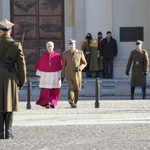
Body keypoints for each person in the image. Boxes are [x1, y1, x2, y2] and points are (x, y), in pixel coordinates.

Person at [0, 19, 26, 139]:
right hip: (10, 77)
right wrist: (22, 80)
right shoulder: (16, 45)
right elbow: (21, 65)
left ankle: (0, 132)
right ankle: (8, 132)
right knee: (9, 103)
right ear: (10, 31)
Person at [34, 41, 62, 109]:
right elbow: (40, 66)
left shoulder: (57, 56)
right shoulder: (43, 56)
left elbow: (60, 66)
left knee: (54, 89)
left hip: (55, 75)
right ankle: (47, 103)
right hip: (45, 75)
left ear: (53, 47)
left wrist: (61, 75)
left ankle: (53, 102)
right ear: (46, 47)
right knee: (46, 90)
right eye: (48, 46)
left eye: (51, 46)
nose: (49, 48)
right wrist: (39, 75)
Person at [61, 39, 87, 108]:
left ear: (75, 45)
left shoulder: (80, 52)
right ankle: (71, 102)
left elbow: (84, 63)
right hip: (68, 74)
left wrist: (80, 68)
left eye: (72, 45)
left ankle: (75, 102)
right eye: (69, 45)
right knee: (71, 88)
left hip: (77, 74)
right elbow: (64, 65)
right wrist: (62, 75)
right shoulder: (65, 53)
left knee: (77, 89)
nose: (71, 46)